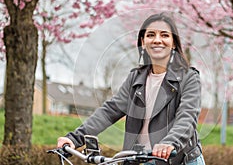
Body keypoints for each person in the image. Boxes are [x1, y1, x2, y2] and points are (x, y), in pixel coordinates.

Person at [57, 12, 205, 165]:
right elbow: (109, 111)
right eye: (151, 35)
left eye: (165, 35)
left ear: (174, 43)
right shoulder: (135, 78)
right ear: (143, 41)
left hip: (180, 160)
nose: (157, 40)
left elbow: (187, 117)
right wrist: (74, 138)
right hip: (141, 159)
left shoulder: (189, 77)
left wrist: (169, 143)